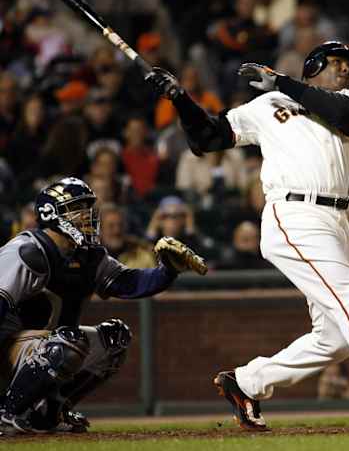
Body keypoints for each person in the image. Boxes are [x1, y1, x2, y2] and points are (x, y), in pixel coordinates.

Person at [146, 40, 349, 429]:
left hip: (336, 221)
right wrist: (181, 100)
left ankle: (246, 382)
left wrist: (281, 82)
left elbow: (341, 115)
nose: (345, 70)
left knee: (334, 340)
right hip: (293, 213)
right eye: (336, 62)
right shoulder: (265, 107)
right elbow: (207, 139)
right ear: (314, 66)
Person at [0, 177, 207, 435]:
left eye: (88, 208)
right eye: (77, 209)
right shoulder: (28, 250)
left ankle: (49, 411)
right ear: (51, 214)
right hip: (8, 348)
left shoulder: (88, 255)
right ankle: (6, 415)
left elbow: (128, 283)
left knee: (115, 338)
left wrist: (167, 272)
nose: (87, 216)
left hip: (44, 348)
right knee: (67, 343)